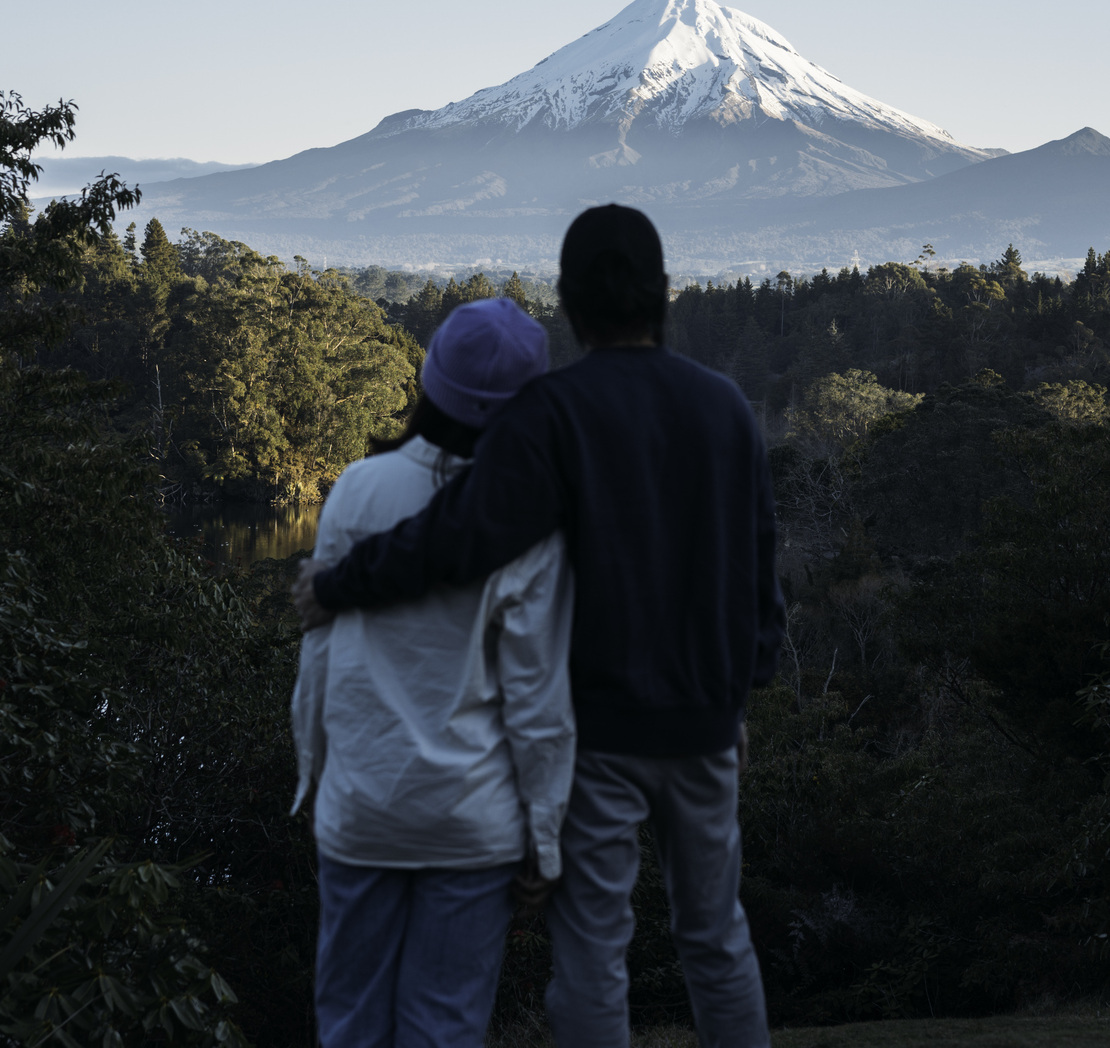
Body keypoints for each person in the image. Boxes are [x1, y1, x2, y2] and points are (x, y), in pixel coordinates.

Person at [297, 204, 784, 1048]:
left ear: (569, 303)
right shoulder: (725, 406)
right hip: (704, 724)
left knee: (594, 948)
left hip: (598, 728)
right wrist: (742, 694)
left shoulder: (553, 412)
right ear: (663, 293)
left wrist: (339, 582)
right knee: (717, 936)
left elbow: (464, 534)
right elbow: (757, 571)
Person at [291, 296, 575, 1048]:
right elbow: (538, 700)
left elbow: (321, 654)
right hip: (472, 821)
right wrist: (545, 839)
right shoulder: (531, 527)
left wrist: (315, 774)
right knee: (444, 1026)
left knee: (348, 1020)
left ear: (427, 382)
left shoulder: (358, 486)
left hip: (362, 808)